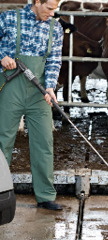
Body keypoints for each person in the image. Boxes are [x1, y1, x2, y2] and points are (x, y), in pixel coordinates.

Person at [0, 0, 63, 210]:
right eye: (49, 8)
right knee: (3, 140)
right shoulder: (9, 18)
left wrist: (52, 87)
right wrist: (2, 57)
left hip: (39, 90)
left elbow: (54, 59)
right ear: (37, 2)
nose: (53, 13)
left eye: (55, 8)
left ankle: (45, 195)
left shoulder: (56, 27)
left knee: (44, 141)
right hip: (11, 86)